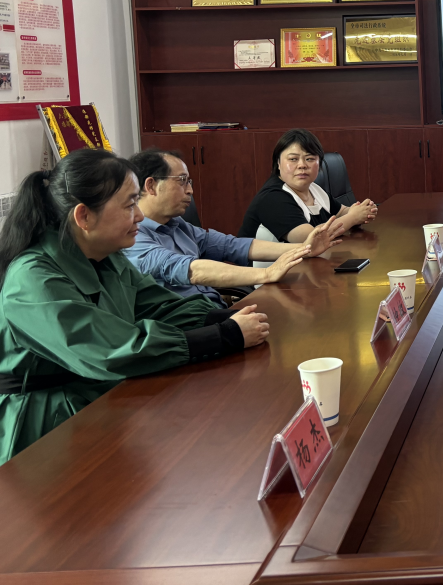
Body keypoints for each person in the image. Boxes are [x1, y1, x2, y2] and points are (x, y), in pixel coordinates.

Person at [0, 149, 270, 464]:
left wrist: (226, 317)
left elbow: (161, 307)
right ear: (84, 216)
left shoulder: (106, 256)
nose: (140, 216)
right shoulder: (34, 278)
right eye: (130, 205)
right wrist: (224, 336)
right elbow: (113, 350)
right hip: (43, 426)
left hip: (103, 398)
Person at [126, 148, 343, 303]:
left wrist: (304, 249)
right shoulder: (133, 237)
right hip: (182, 327)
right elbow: (190, 270)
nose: (190, 190)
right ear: (151, 186)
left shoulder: (177, 225)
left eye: (189, 182)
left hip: (213, 310)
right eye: (182, 181)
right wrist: (266, 274)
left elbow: (231, 246)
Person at [239, 129, 377, 266]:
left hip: (304, 268)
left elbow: (341, 211)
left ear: (319, 163)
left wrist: (362, 211)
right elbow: (311, 240)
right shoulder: (272, 197)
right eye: (293, 159)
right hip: (263, 277)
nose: (302, 165)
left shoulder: (313, 188)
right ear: (278, 163)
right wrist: (353, 217)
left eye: (310, 159)